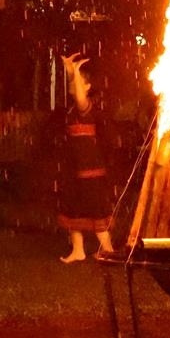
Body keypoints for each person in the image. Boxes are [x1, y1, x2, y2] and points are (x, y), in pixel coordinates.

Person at [55, 54, 116, 263]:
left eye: (79, 82)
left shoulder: (85, 108)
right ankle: (78, 251)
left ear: (87, 87)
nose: (73, 84)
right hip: (76, 171)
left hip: (91, 172)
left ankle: (108, 250)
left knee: (96, 211)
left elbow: (81, 96)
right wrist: (72, 72)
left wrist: (75, 73)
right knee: (72, 209)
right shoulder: (73, 110)